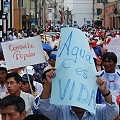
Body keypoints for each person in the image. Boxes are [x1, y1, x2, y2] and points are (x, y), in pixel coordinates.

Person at [36, 69, 118, 120]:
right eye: (75, 94)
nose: (79, 99)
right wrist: (48, 83)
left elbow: (113, 111)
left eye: (83, 94)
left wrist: (105, 92)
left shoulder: (98, 111)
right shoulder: (61, 110)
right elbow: (44, 105)